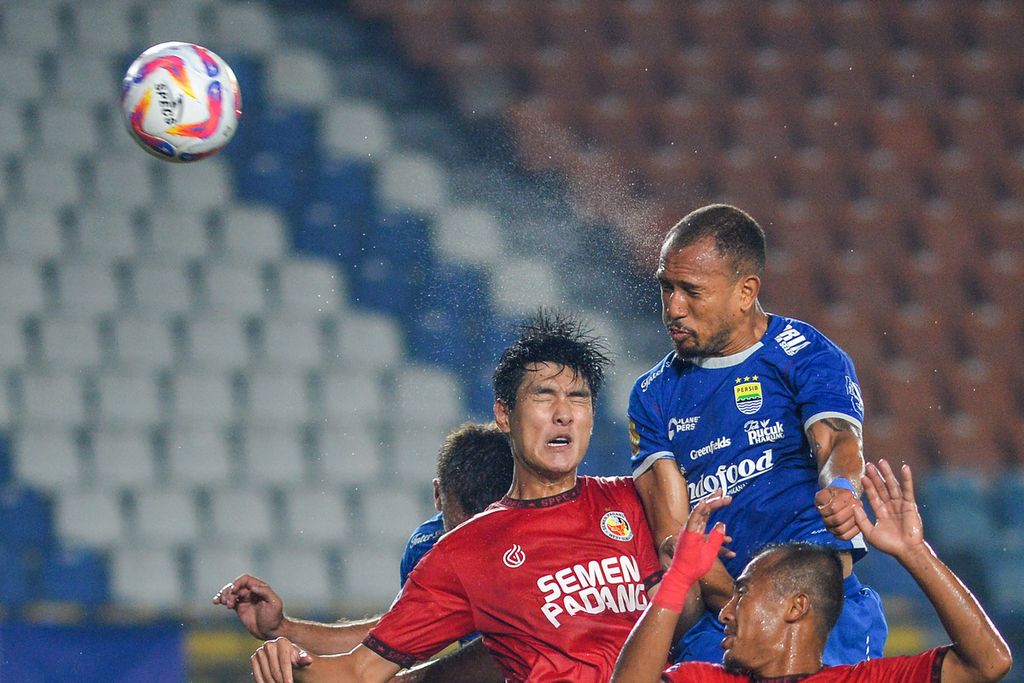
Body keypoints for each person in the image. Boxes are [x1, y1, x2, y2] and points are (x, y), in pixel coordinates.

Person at [249, 311, 675, 683]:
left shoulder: (632, 501)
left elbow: (687, 608)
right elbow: (361, 671)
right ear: (504, 415)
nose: (563, 412)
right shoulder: (467, 550)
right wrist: (291, 663)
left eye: (578, 397)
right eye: (544, 395)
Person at [628, 203, 887, 664]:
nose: (673, 308)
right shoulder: (652, 395)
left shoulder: (803, 353)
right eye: (665, 288)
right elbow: (676, 538)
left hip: (823, 618)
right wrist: (742, 612)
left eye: (691, 291)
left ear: (745, 291)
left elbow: (838, 440)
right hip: (721, 624)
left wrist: (843, 488)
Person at [610, 459, 1013, 683]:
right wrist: (679, 579)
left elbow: (988, 663)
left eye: (744, 592)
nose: (726, 610)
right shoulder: (706, 679)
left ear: (796, 606)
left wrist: (915, 554)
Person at [212, 422, 514, 656]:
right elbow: (389, 642)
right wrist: (283, 628)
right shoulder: (425, 547)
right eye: (461, 530)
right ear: (437, 495)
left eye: (487, 529)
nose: (473, 543)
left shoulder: (551, 540)